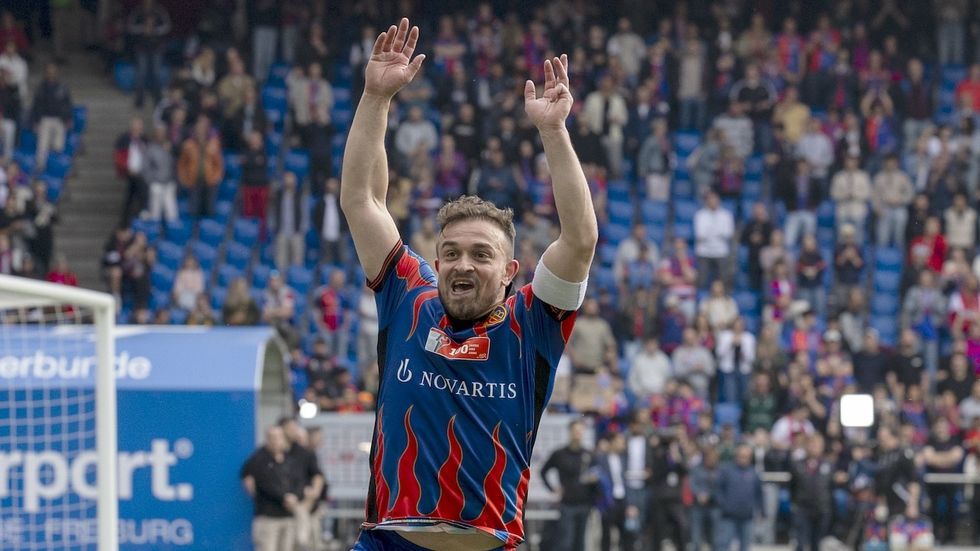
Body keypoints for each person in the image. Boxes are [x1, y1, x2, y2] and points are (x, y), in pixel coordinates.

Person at [342, 20, 597, 551]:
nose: (464, 264)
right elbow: (361, 200)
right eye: (452, 253)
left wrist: (554, 132)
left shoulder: (532, 323)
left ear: (509, 271)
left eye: (482, 255)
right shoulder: (408, 295)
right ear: (436, 261)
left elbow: (579, 239)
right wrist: (375, 98)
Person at [541, 420, 599, 551]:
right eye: (575, 431)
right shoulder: (560, 454)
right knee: (566, 541)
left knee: (580, 542)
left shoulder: (589, 454)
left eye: (580, 431)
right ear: (570, 432)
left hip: (585, 503)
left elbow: (597, 475)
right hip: (567, 504)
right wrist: (552, 488)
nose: (577, 434)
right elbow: (543, 471)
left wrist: (594, 482)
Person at [240, 425, 298, 551]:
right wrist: (284, 497)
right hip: (267, 517)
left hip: (288, 515)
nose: (275, 441)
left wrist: (295, 496)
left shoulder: (290, 460)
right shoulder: (258, 459)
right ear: (266, 439)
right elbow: (263, 483)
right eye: (272, 438)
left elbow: (298, 481)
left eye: (278, 437)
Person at [789, 433, 833, 551]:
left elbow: (831, 488)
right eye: (812, 444)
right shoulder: (797, 464)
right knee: (800, 543)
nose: (815, 447)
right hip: (802, 509)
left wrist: (827, 508)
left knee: (817, 544)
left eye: (818, 444)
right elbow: (792, 487)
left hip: (821, 509)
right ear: (806, 445)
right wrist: (795, 504)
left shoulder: (828, 465)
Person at [715, 444, 762, 551]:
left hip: (747, 516)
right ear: (736, 456)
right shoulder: (727, 470)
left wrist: (761, 511)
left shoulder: (754, 473)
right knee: (723, 544)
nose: (743, 459)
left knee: (745, 546)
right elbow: (718, 489)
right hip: (728, 516)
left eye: (746, 457)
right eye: (741, 456)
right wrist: (724, 505)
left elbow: (759, 493)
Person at [126, 0, 171, 109]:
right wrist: (143, 29)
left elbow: (167, 26)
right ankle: (140, 100)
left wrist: (154, 30)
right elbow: (130, 27)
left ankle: (158, 99)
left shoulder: (159, 11)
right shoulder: (138, 11)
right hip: (141, 47)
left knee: (156, 73)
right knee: (141, 73)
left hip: (156, 47)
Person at [177, 115, 223, 218]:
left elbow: (219, 164)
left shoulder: (213, 144)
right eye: (198, 129)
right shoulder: (188, 145)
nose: (200, 131)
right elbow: (182, 164)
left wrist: (216, 177)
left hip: (210, 182)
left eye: (203, 129)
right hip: (193, 181)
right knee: (193, 211)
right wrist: (184, 178)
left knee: (209, 210)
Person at [31, 63, 73, 173]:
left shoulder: (62, 87)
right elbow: (36, 105)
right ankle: (40, 167)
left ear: (56, 73)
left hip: (59, 119)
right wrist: (35, 120)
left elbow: (68, 103)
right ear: (45, 73)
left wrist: (68, 118)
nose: (51, 74)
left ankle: (56, 167)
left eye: (53, 72)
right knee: (42, 145)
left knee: (58, 146)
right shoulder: (40, 87)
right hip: (44, 119)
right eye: (49, 72)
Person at [693, 191, 734, 290]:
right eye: (710, 199)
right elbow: (700, 234)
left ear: (718, 200)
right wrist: (718, 232)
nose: (712, 201)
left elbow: (728, 233)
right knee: (702, 281)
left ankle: (723, 298)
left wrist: (710, 231)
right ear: (706, 201)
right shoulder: (700, 215)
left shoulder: (726, 215)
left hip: (721, 252)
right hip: (704, 252)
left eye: (714, 199)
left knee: (723, 281)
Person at [114, 117, 148, 225]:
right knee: (136, 193)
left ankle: (136, 217)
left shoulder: (145, 140)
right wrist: (126, 168)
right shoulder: (124, 139)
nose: (138, 128)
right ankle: (131, 218)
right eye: (136, 126)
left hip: (142, 172)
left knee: (134, 195)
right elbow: (119, 156)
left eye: (140, 126)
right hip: (130, 172)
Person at [144, 123, 178, 223]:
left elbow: (176, 164)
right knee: (155, 214)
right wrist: (151, 181)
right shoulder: (150, 148)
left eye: (162, 132)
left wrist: (171, 151)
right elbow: (146, 167)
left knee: (172, 214)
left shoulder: (170, 146)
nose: (160, 134)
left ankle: (171, 232)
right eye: (158, 132)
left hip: (169, 184)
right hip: (156, 184)